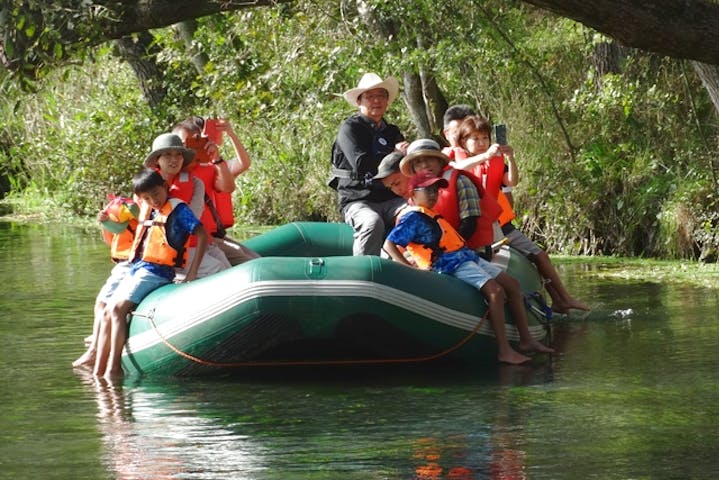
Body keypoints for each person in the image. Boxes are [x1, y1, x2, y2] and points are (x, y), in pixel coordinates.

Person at [383, 171, 554, 364]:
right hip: (448, 264)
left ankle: (526, 340)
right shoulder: (412, 218)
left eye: (435, 190)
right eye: (427, 190)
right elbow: (389, 244)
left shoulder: (431, 214)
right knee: (496, 292)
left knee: (512, 284)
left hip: (466, 257)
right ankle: (504, 351)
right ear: (413, 194)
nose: (433, 194)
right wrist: (408, 268)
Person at [452, 115, 590, 313]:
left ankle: (563, 299)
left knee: (539, 254)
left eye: (485, 138)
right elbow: (456, 168)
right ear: (464, 141)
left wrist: (511, 158)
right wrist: (486, 156)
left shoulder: (496, 159)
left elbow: (512, 181)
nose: (482, 143)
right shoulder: (459, 158)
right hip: (471, 225)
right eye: (476, 139)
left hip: (496, 223)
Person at [92, 168, 208, 379]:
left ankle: (114, 369)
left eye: (156, 193)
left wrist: (192, 273)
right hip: (138, 268)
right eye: (146, 197)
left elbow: (201, 234)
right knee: (108, 310)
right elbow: (121, 227)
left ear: (164, 186)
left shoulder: (178, 209)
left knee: (117, 309)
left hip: (158, 271)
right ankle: (99, 369)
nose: (153, 200)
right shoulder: (147, 209)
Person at [329, 72, 409, 256]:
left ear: (387, 101)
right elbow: (361, 163)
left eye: (381, 96)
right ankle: (363, 271)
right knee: (372, 222)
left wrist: (407, 152)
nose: (376, 101)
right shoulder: (350, 128)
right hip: (357, 198)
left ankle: (413, 265)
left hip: (390, 198)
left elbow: (402, 168)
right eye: (370, 96)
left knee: (415, 213)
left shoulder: (391, 131)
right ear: (359, 101)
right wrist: (394, 153)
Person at [172, 118, 260, 267]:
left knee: (255, 260)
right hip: (191, 240)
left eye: (195, 141)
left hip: (212, 237)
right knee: (246, 262)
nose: (188, 147)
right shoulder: (169, 172)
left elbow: (229, 184)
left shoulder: (210, 167)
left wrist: (218, 155)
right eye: (183, 143)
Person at [399, 138, 503, 259]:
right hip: (436, 253)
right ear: (413, 169)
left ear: (439, 161)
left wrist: (447, 249)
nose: (425, 165)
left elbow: (470, 222)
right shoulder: (416, 192)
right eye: (418, 162)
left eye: (430, 159)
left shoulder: (460, 180)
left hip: (471, 248)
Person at [72, 196, 138, 368]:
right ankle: (96, 343)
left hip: (128, 263)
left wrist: (106, 221)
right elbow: (111, 239)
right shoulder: (133, 206)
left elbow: (119, 227)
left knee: (103, 304)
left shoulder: (132, 208)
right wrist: (104, 223)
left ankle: (95, 351)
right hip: (123, 263)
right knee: (101, 304)